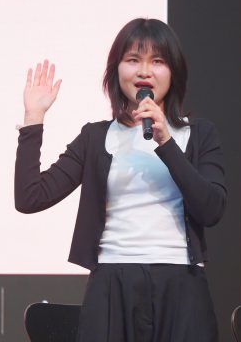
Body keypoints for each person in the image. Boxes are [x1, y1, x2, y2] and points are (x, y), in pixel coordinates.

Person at [15, 18, 227, 342]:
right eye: (133, 60)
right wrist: (33, 118)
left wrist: (166, 142)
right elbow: (31, 198)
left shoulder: (199, 134)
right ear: (116, 70)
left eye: (157, 61)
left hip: (181, 285)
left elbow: (211, 209)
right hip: (112, 285)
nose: (144, 71)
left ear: (174, 72)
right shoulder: (95, 137)